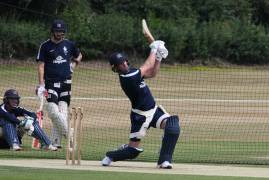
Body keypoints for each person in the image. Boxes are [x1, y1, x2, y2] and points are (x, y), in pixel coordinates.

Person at [101, 40, 180, 169]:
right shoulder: (128, 77)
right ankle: (110, 156)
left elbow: (152, 73)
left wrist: (159, 58)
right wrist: (154, 49)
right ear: (115, 68)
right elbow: (148, 64)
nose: (124, 64)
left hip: (153, 111)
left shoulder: (132, 72)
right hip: (140, 117)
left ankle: (164, 160)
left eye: (124, 61)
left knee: (173, 126)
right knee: (132, 152)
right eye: (120, 64)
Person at [36, 19, 82, 148]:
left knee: (62, 112)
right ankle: (70, 134)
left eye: (62, 31)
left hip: (66, 82)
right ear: (52, 31)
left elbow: (79, 55)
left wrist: (73, 65)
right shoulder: (45, 46)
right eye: (57, 31)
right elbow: (40, 66)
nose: (60, 34)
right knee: (52, 110)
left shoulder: (69, 44)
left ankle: (56, 141)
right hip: (51, 82)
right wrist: (41, 84)